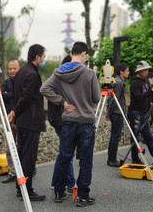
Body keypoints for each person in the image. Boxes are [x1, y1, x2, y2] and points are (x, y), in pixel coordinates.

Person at [40, 42, 100, 207]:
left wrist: (62, 102)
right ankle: (82, 196)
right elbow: (96, 98)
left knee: (65, 157)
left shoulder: (59, 72)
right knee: (86, 160)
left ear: (71, 52)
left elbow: (44, 89)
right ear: (84, 54)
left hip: (68, 121)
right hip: (86, 122)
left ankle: (59, 191)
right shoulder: (90, 73)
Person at [8, 44, 46, 201]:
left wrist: (15, 112)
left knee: (22, 155)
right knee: (29, 157)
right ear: (37, 57)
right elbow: (26, 98)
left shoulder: (22, 71)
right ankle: (27, 190)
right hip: (31, 121)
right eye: (43, 57)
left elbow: (19, 96)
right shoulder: (31, 74)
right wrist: (15, 111)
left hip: (22, 121)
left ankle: (20, 187)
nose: (44, 59)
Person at [49, 55, 75, 194]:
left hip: (59, 119)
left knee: (64, 153)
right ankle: (70, 184)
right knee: (67, 153)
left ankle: (56, 182)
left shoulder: (58, 77)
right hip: (61, 120)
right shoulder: (60, 78)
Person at [0, 59, 21, 183]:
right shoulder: (5, 83)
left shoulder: (23, 82)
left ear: (19, 69)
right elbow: (1, 95)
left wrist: (10, 94)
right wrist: (12, 94)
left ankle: (24, 170)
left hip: (20, 118)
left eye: (15, 68)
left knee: (22, 146)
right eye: (10, 68)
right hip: (7, 118)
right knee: (8, 147)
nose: (12, 71)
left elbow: (21, 97)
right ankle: (12, 172)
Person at [105, 63, 129, 167]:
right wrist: (109, 112)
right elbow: (114, 99)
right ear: (121, 72)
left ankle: (111, 158)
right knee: (116, 136)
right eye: (127, 71)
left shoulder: (117, 81)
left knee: (114, 136)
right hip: (117, 112)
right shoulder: (119, 83)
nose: (128, 73)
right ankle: (112, 159)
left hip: (116, 112)